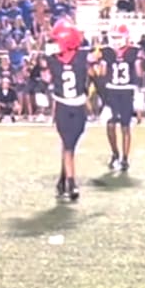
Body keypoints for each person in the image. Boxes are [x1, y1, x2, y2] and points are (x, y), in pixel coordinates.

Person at [43, 20, 89, 201]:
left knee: (70, 146)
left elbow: (46, 74)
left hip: (76, 107)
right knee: (68, 146)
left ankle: (62, 180)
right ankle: (71, 183)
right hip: (64, 106)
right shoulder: (82, 56)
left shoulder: (53, 59)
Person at [101, 24, 141, 171]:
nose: (116, 40)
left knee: (125, 126)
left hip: (127, 91)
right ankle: (115, 153)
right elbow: (102, 73)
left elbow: (138, 73)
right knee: (110, 125)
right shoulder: (106, 52)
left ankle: (124, 158)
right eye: (114, 37)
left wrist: (139, 96)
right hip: (111, 91)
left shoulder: (134, 51)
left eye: (119, 37)